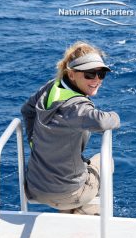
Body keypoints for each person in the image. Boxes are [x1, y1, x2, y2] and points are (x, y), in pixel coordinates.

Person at [21, 41, 120, 215]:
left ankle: (69, 211)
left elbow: (27, 110)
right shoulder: (77, 107)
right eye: (90, 74)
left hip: (35, 187)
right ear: (72, 74)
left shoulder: (52, 87)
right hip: (66, 193)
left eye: (101, 73)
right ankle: (88, 211)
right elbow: (104, 122)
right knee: (105, 161)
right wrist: (116, 116)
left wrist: (33, 141)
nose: (97, 80)